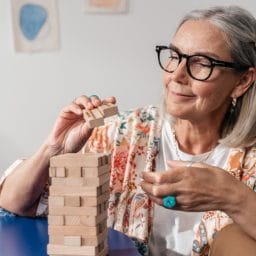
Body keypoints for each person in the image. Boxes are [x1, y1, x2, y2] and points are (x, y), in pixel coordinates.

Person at [0, 5, 256, 256]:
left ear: (242, 81)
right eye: (175, 56)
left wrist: (232, 196)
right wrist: (52, 148)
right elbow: (15, 203)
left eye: (202, 63)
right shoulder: (121, 134)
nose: (177, 75)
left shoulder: (250, 159)